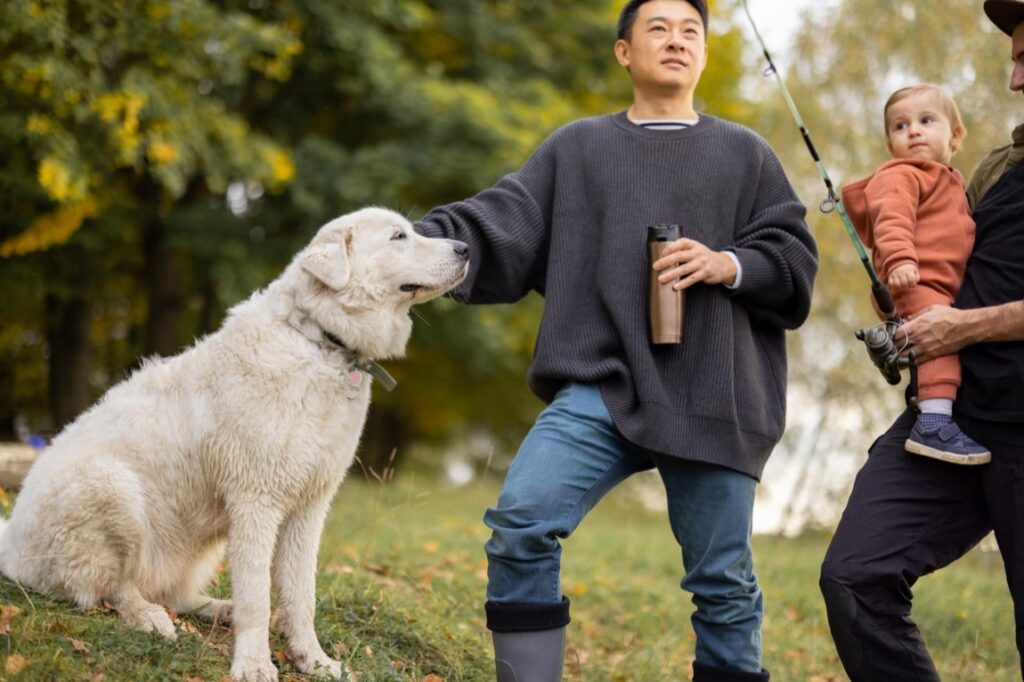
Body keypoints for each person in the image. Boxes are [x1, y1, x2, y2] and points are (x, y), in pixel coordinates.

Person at [414, 1, 818, 680]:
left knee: (723, 584)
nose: (677, 40)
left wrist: (730, 263)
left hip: (714, 393)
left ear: (704, 53)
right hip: (602, 385)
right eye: (657, 28)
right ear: (624, 52)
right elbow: (500, 220)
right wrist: (405, 246)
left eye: (691, 30)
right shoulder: (578, 147)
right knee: (520, 524)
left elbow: (794, 257)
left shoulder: (746, 153)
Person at [820, 1, 1024, 679]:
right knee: (855, 577)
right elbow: (952, 267)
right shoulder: (995, 169)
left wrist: (965, 325)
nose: (1016, 79)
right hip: (953, 422)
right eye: (1015, 60)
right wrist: (906, 299)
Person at [841, 84, 990, 464]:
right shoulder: (901, 174)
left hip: (937, 281)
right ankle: (934, 423)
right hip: (914, 278)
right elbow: (892, 218)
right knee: (941, 340)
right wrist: (900, 261)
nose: (914, 131)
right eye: (900, 126)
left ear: (954, 135)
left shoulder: (949, 180)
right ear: (890, 144)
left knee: (941, 337)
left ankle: (923, 387)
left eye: (926, 121)